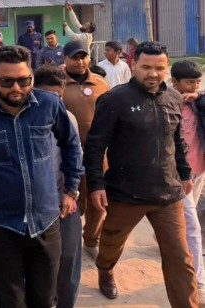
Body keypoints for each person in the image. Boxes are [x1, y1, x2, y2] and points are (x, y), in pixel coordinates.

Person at [0, 45, 83, 308]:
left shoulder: (49, 105)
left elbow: (71, 145)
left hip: (46, 219)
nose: (16, 88)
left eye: (24, 81)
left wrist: (71, 190)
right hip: (2, 222)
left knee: (44, 299)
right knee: (9, 300)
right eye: (7, 81)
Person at [84, 41, 198, 305]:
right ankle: (105, 269)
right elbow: (95, 146)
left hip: (168, 194)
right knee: (110, 243)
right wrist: (96, 185)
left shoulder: (173, 98)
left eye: (159, 68)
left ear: (166, 68)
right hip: (125, 193)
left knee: (180, 257)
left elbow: (178, 141)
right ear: (133, 65)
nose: (153, 74)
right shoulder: (114, 100)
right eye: (146, 67)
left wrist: (184, 173)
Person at [33, 66, 84, 308]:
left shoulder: (68, 118)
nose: (54, 103)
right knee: (37, 262)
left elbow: (75, 158)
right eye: (48, 96)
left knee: (69, 258)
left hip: (64, 200)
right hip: (33, 205)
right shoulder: (22, 119)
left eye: (59, 97)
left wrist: (71, 193)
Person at [60, 40, 109, 260]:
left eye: (84, 56)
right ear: (65, 58)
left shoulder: (101, 84)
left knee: (98, 203)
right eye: (75, 57)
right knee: (68, 200)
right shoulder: (58, 83)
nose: (80, 62)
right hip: (67, 156)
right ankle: (64, 244)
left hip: (98, 156)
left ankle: (91, 240)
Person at [171, 60, 205, 299]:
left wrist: (199, 97)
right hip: (177, 174)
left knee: (185, 218)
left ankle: (163, 234)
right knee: (193, 225)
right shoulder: (166, 101)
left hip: (199, 168)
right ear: (174, 82)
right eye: (189, 82)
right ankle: (199, 281)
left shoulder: (198, 102)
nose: (194, 86)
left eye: (197, 82)